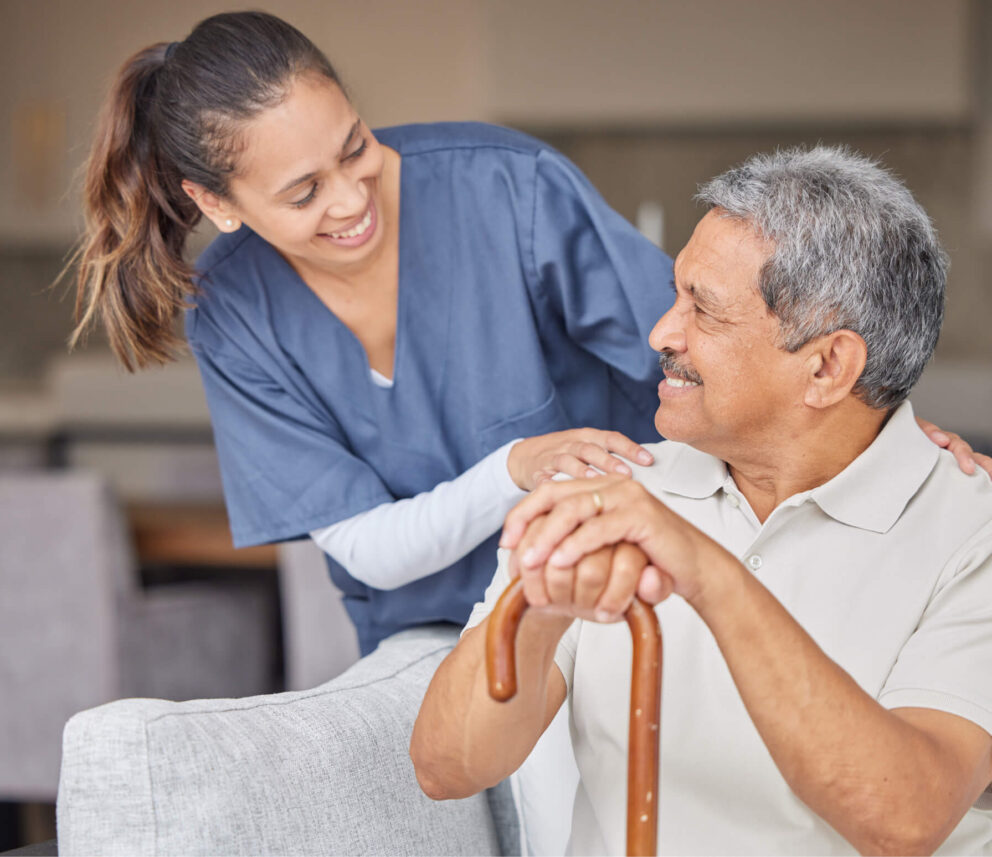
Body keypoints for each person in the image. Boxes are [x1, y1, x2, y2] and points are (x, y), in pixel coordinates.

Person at [70, 11, 986, 661]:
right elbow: (367, 549)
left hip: (620, 574)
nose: (353, 200)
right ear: (217, 206)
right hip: (424, 633)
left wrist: (880, 440)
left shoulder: (505, 189)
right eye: (303, 192)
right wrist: (515, 465)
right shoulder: (233, 311)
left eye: (355, 147)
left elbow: (721, 362)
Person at [411, 146, 992, 855]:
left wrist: (707, 570)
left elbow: (905, 818)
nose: (661, 333)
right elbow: (444, 766)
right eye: (674, 293)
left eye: (704, 311)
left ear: (828, 365)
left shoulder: (972, 528)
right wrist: (540, 609)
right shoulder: (607, 489)